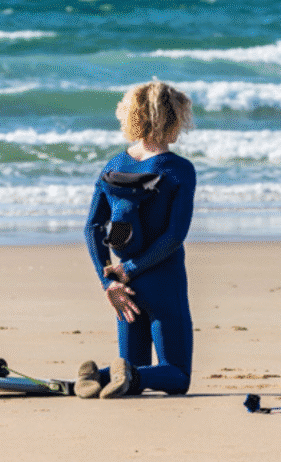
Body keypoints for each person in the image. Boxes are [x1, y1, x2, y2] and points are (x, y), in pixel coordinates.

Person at [77, 82, 196, 399]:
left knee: (131, 366)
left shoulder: (113, 166)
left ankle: (93, 377)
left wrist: (110, 282)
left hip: (123, 288)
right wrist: (131, 268)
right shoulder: (179, 169)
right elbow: (173, 237)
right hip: (162, 281)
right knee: (177, 374)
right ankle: (112, 376)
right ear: (174, 117)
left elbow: (92, 227)